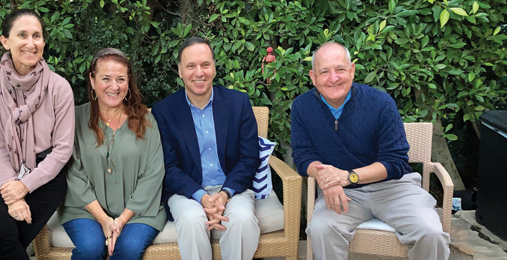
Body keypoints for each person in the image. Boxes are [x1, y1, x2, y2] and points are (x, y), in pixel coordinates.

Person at [290, 41, 450, 260]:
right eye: (324, 71)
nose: (333, 78)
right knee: (321, 229)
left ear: (352, 70)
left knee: (431, 234)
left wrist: (347, 177)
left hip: (393, 188)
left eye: (340, 69)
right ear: (313, 76)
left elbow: (395, 162)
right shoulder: (302, 106)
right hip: (345, 195)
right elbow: (303, 156)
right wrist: (327, 178)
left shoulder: (381, 103)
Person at [0, 9, 75, 260]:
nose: (31, 43)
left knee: (7, 241)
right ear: (5, 41)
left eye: (37, 36)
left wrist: (25, 187)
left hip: (47, 173)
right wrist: (13, 191)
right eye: (22, 35)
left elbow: (63, 149)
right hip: (5, 170)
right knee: (0, 233)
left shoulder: (58, 87)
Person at [152, 37, 260, 260]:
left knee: (241, 219)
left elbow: (249, 158)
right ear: (180, 71)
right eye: (190, 66)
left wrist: (224, 194)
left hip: (232, 189)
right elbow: (168, 167)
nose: (199, 73)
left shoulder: (238, 103)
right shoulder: (163, 111)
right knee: (192, 220)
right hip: (187, 192)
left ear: (214, 68)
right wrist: (202, 197)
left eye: (205, 65)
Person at [57, 48, 166, 260]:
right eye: (106, 78)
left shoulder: (146, 120)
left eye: (121, 79)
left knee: (129, 249)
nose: (114, 87)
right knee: (90, 249)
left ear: (129, 82)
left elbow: (153, 173)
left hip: (138, 212)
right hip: (85, 210)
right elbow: (73, 174)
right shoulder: (74, 119)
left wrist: (122, 220)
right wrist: (104, 220)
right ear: (92, 79)